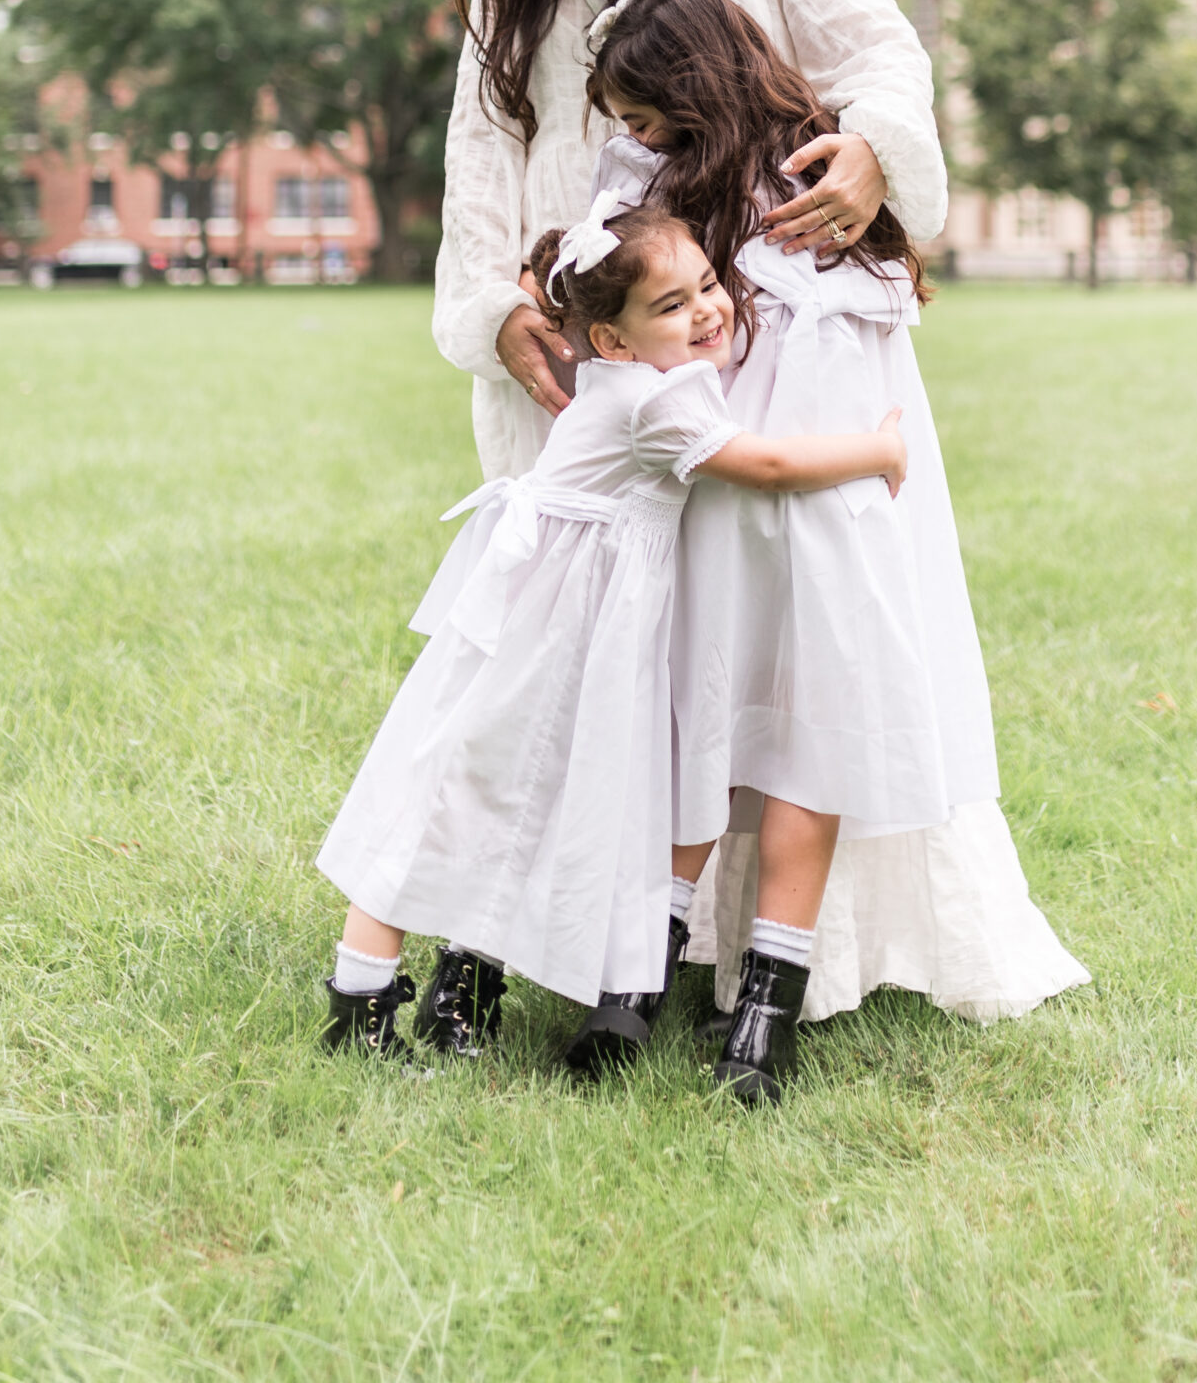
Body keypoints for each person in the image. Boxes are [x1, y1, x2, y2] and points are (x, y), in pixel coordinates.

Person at [582, 0, 1088, 1066]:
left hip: (779, 503)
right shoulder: (721, 192)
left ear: (690, 91)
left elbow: (838, 355)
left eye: (641, 113)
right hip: (771, 504)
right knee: (749, 741)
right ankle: (698, 984)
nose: (630, 137)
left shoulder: (781, 189)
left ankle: (703, 990)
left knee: (757, 743)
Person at [315, 196, 907, 1071]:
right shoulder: (653, 404)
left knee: (453, 796)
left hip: (530, 625)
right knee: (459, 805)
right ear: (614, 342)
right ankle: (365, 1007)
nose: (707, 309)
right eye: (672, 306)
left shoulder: (619, 386)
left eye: (708, 284)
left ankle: (380, 994)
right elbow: (770, 467)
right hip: (552, 643)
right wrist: (880, 451)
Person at [434, 0, 948, 484]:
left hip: (752, 311)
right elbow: (481, 152)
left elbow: (879, 53)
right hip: (588, 325)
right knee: (593, 572)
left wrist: (874, 147)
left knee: (759, 562)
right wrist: (490, 308)